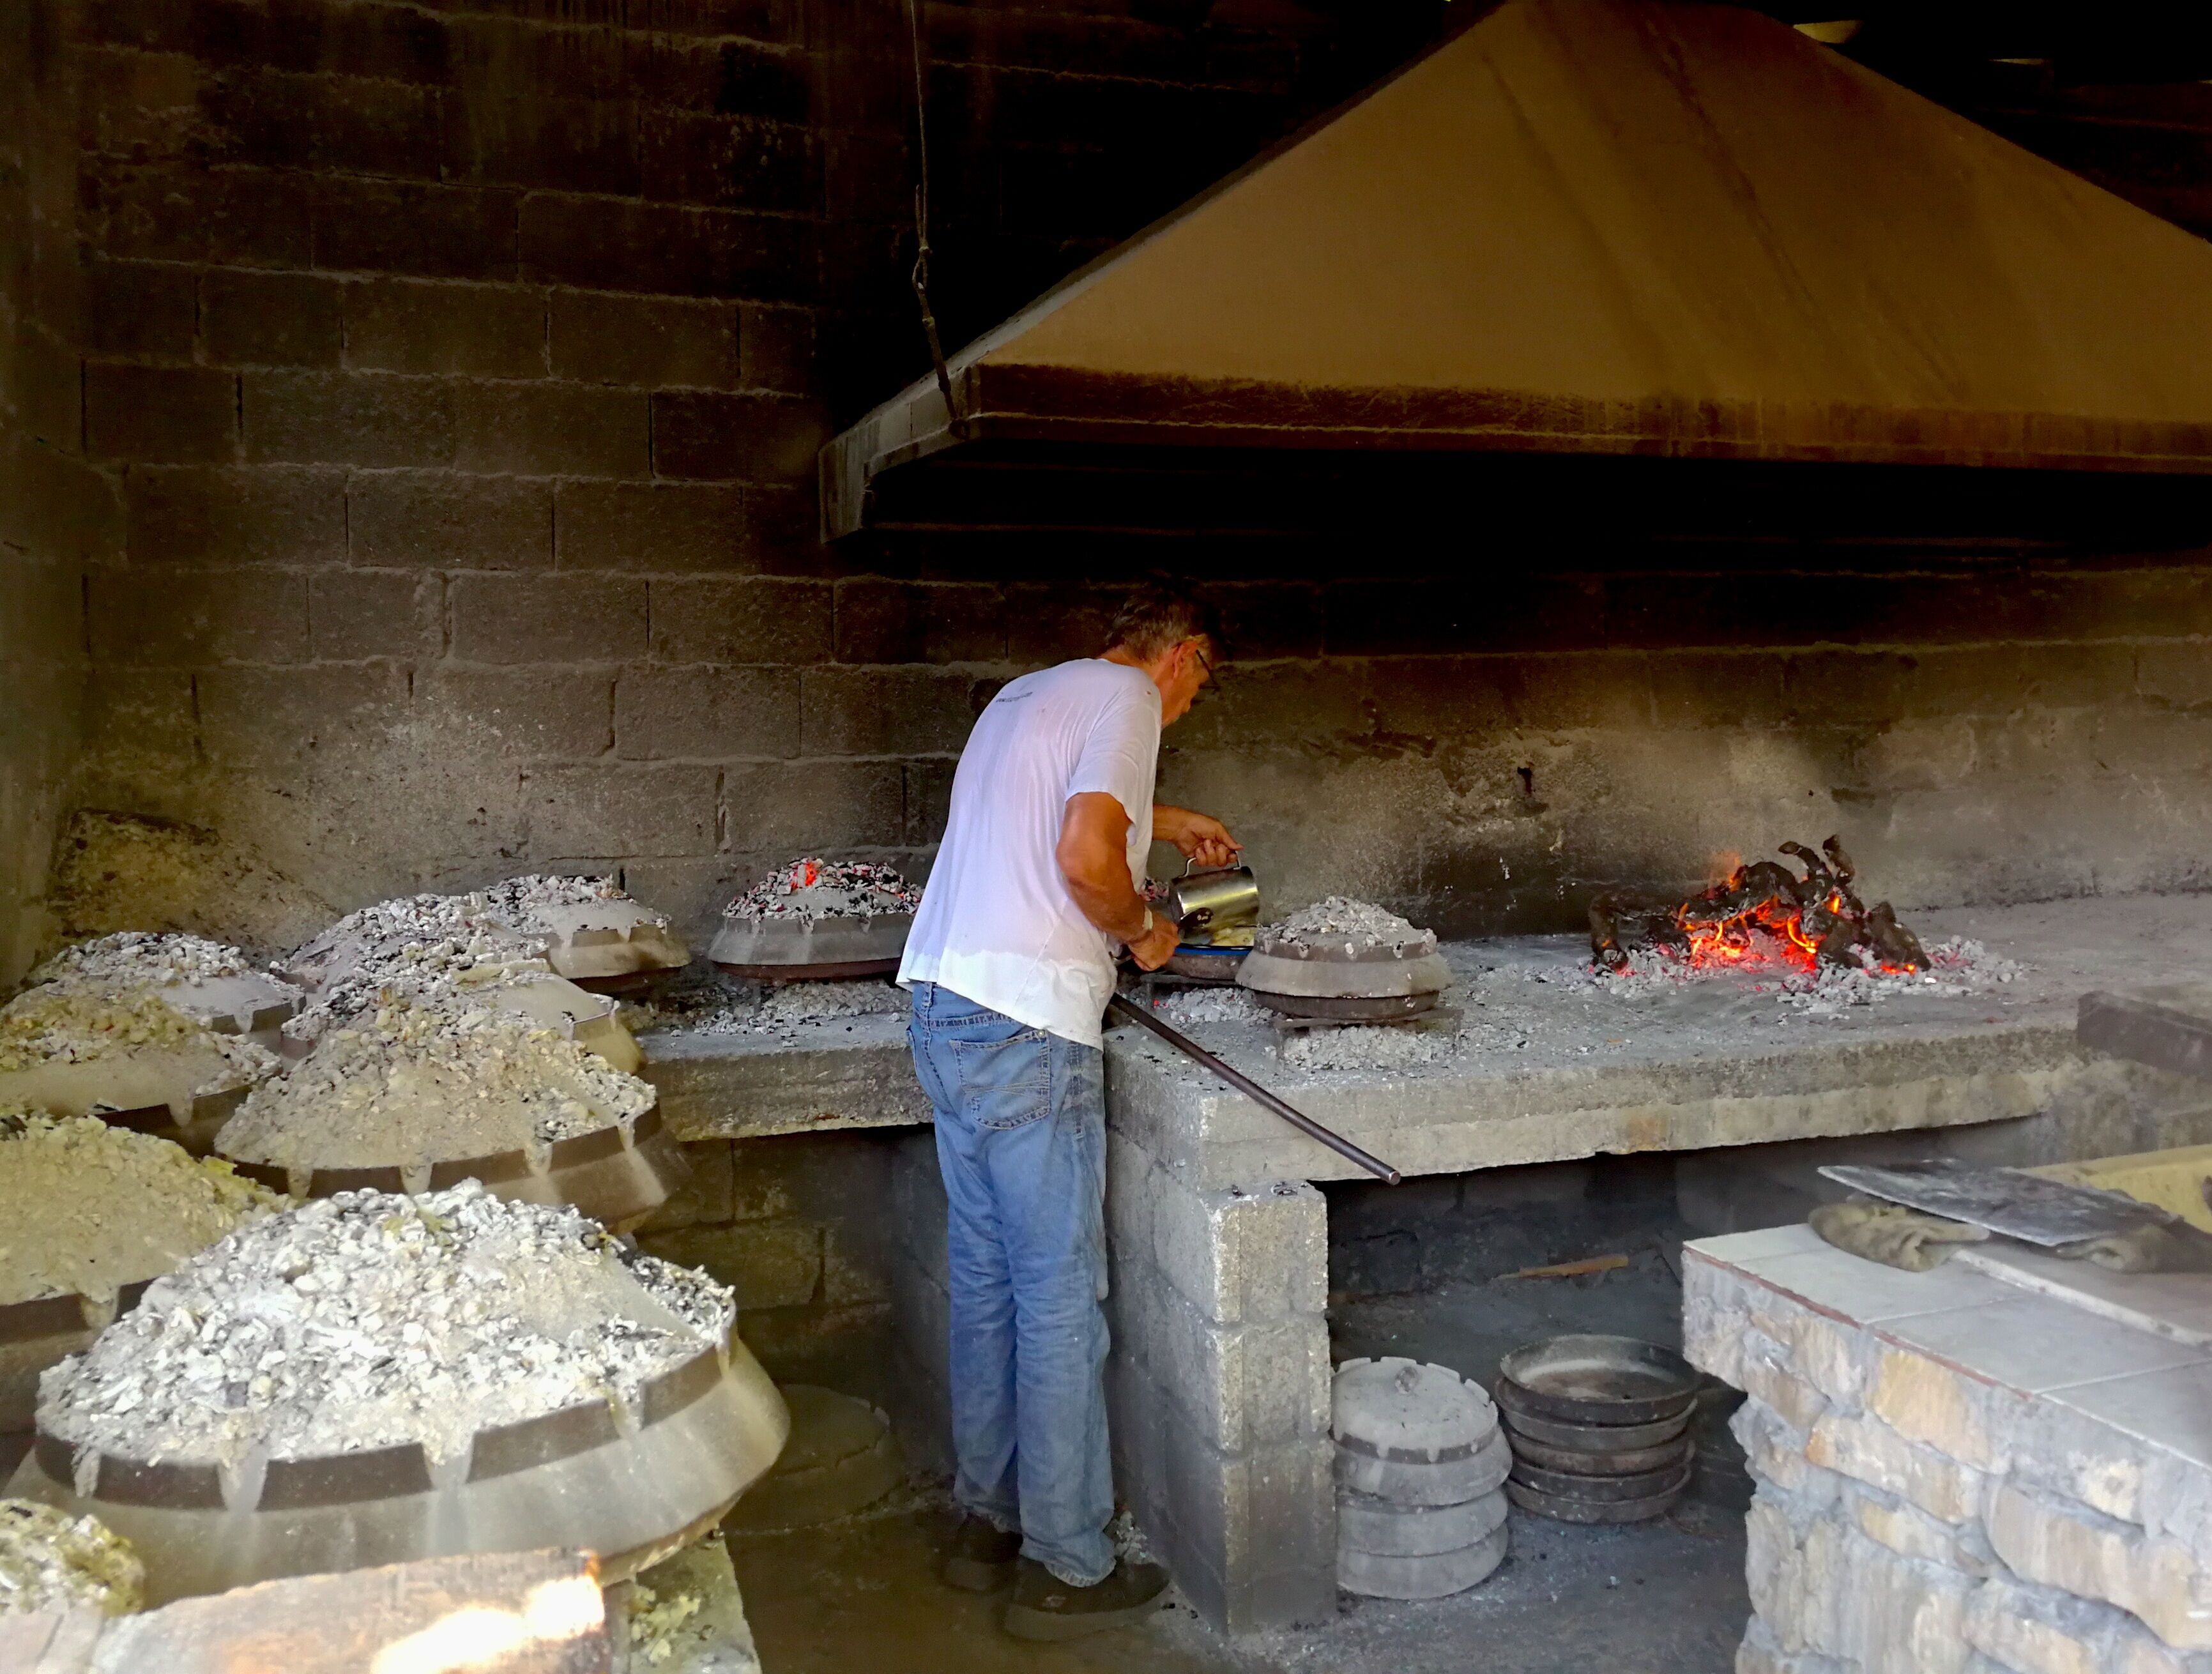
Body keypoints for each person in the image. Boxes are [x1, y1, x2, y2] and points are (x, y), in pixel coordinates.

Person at [897, 580, 1239, 1641]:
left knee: (987, 1277)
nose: (1187, 707)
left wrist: (1166, 821)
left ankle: (986, 1524)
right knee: (1056, 1297)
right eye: (1199, 688)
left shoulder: (1029, 694)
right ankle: (1067, 1564)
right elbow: (1086, 856)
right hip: (1026, 1023)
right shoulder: (1130, 702)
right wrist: (1143, 930)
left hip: (944, 1004)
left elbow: (1036, 808)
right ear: (1185, 655)